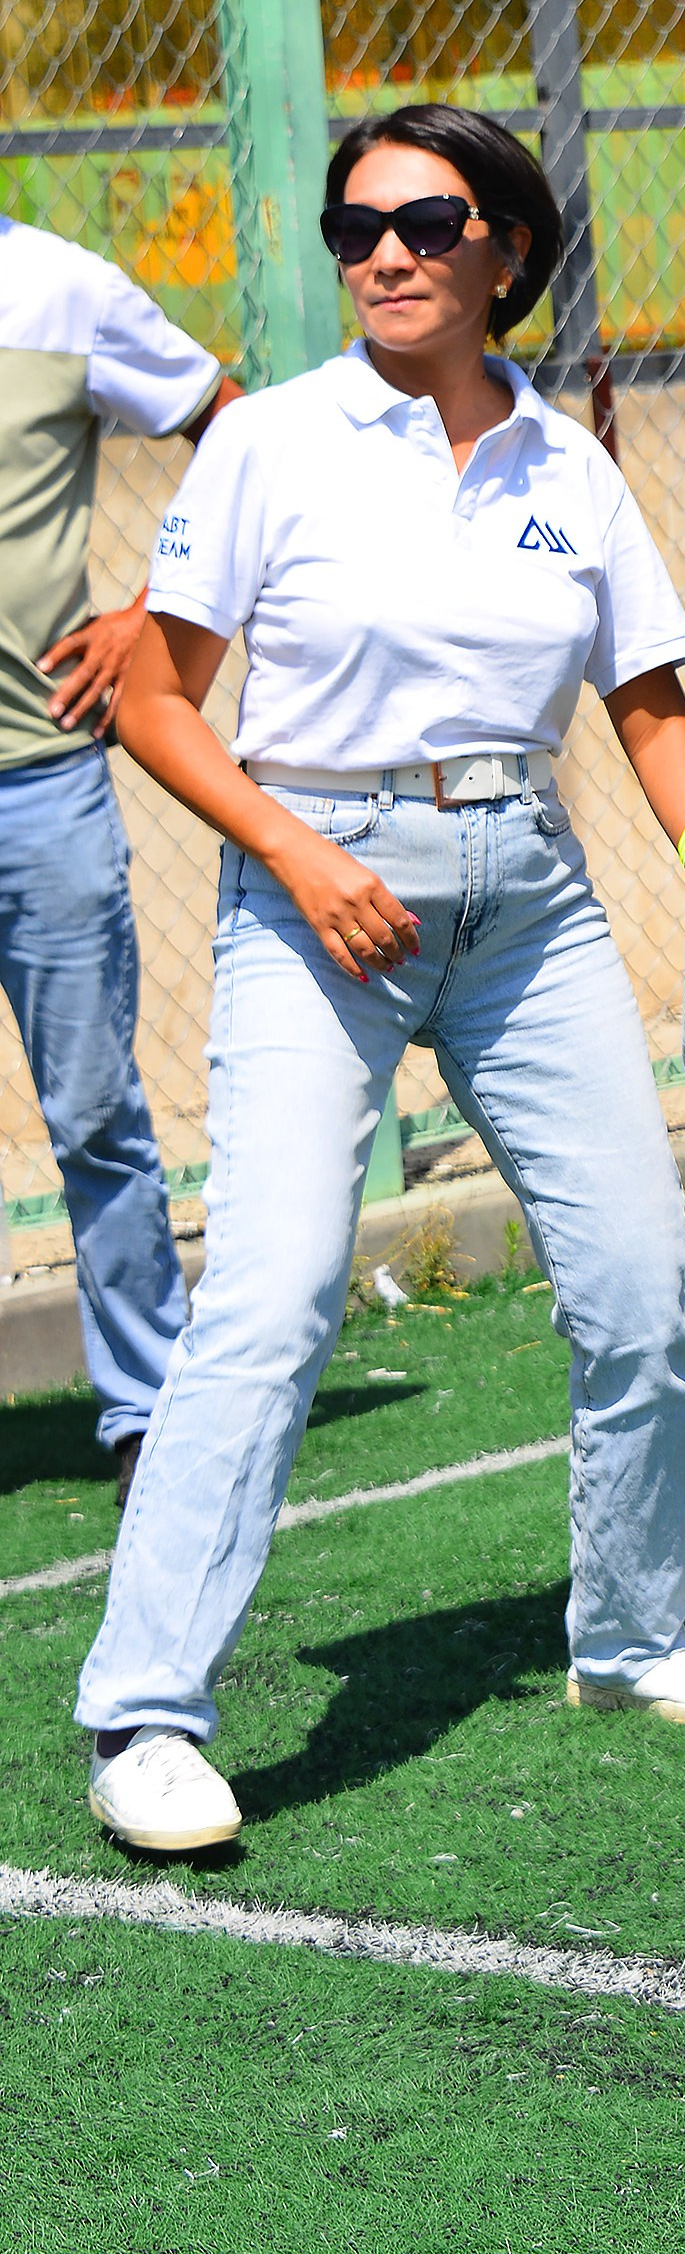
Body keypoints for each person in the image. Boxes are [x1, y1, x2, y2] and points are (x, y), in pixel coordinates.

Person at [78, 103, 685, 1857]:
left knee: (640, 1278)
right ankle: (148, 1718)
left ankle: (626, 1639)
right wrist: (304, 859)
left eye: (427, 219)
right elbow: (157, 699)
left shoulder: (568, 464)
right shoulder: (273, 446)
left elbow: (648, 704)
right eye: (355, 226)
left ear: (506, 255)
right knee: (275, 1294)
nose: (383, 251)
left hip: (524, 901)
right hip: (318, 894)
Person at [0, 220, 240, 1500]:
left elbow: (238, 432)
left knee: (94, 1112)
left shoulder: (64, 287)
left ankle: (152, 1405)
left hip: (38, 777)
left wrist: (154, 608)